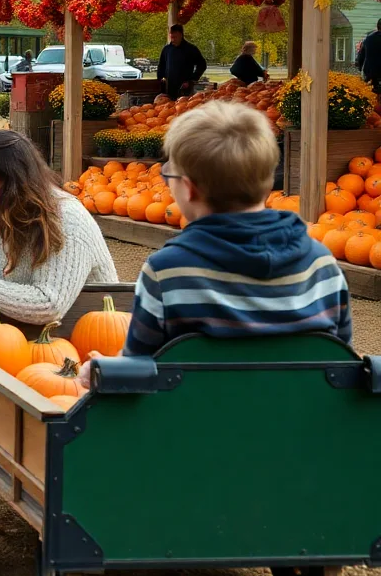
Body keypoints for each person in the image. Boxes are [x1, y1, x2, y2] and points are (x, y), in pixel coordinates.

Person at [78, 102, 350, 387]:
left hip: (196, 426)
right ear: (269, 180)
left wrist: (103, 370)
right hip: (304, 426)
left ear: (188, 188)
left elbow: (137, 374)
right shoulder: (323, 265)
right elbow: (341, 368)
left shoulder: (168, 272)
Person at [0, 129, 119, 324]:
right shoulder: (0, 209)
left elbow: (49, 305)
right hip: (19, 328)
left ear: (8, 176)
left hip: (76, 336)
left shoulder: (66, 218)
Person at [157, 24, 207, 99]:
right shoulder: (166, 49)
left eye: (175, 37)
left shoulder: (191, 49)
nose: (173, 40)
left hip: (185, 87)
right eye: (171, 37)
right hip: (169, 87)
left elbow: (202, 65)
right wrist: (160, 80)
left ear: (181, 35)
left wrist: (192, 79)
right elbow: (161, 66)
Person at [355, 19, 381, 94]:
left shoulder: (368, 38)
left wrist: (360, 68)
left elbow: (361, 56)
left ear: (378, 26)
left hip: (371, 73)